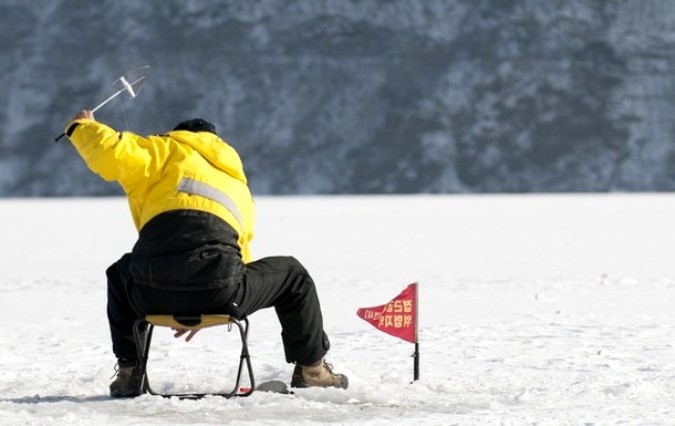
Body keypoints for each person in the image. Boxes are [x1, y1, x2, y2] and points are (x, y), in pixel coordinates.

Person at [63, 110, 348, 397]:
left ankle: (129, 373)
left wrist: (84, 125)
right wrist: (213, 304)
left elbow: (110, 151)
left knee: (120, 272)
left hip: (151, 290)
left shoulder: (162, 150)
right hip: (222, 290)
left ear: (178, 134)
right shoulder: (235, 181)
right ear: (217, 142)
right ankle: (312, 371)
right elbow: (242, 252)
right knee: (293, 275)